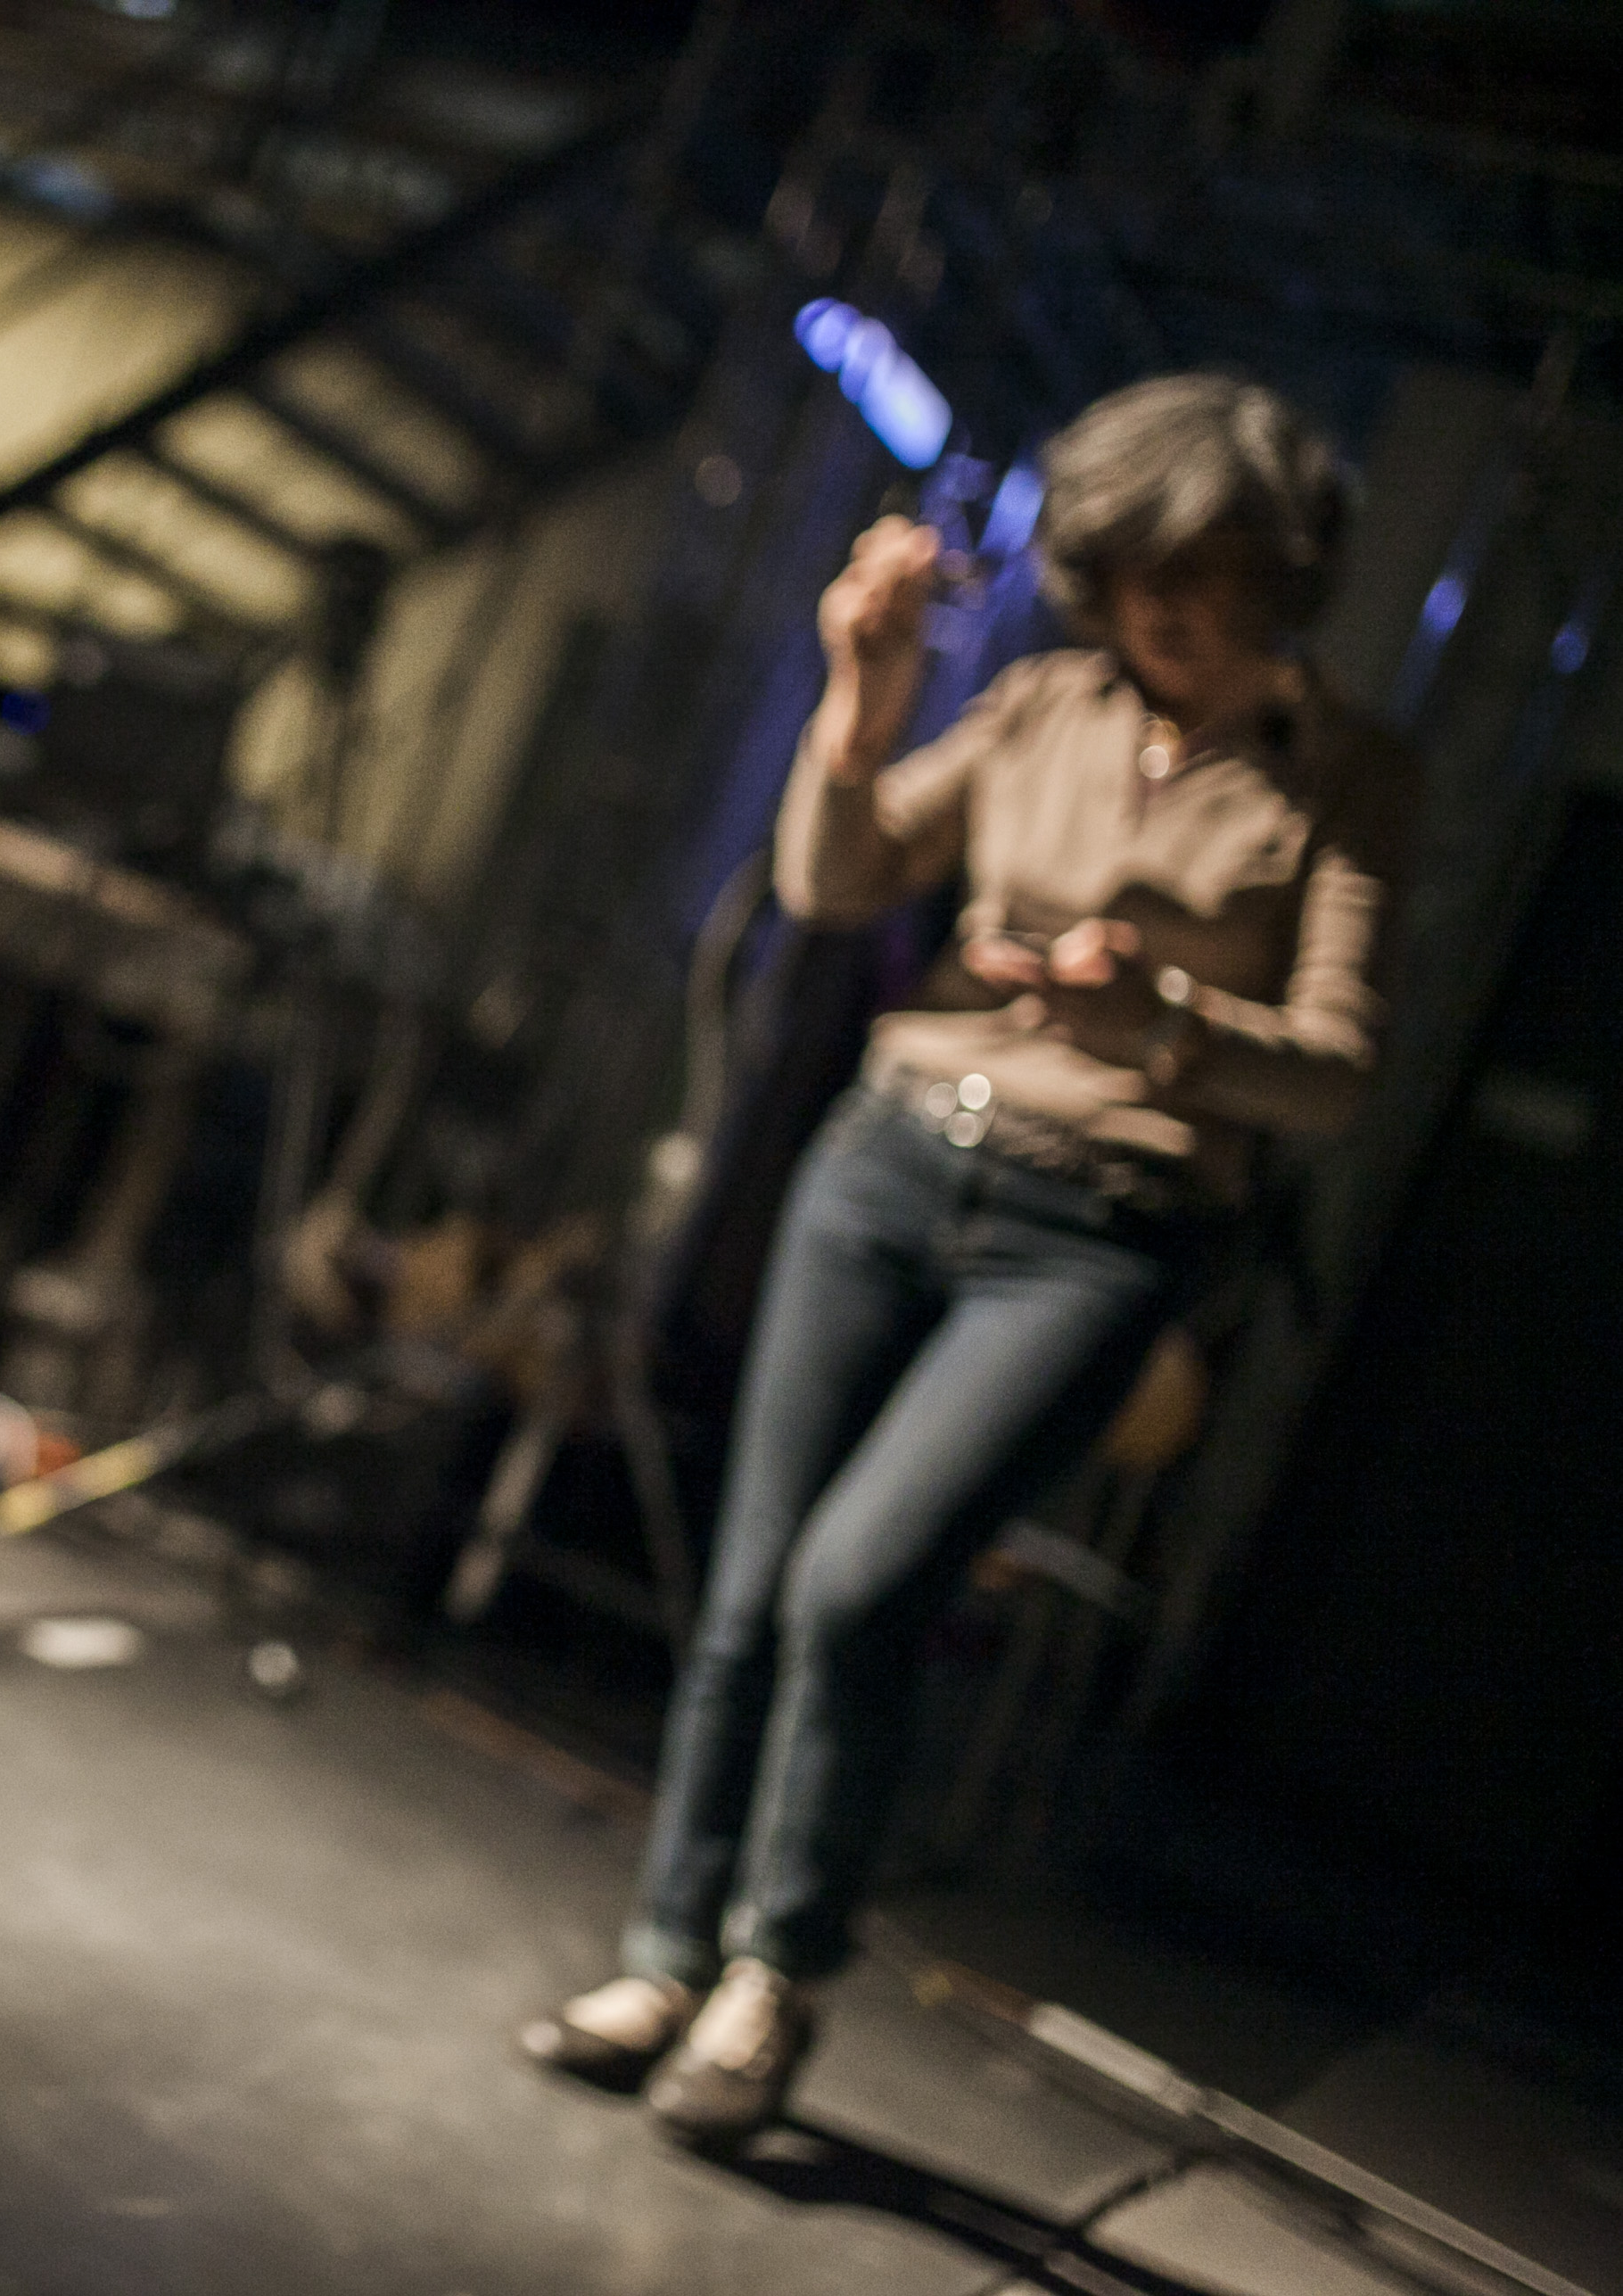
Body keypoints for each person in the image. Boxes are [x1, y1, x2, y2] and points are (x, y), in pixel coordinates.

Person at [515, 375, 1414, 2143]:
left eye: (1198, 566)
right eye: (1128, 565)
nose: (1156, 603)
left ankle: (775, 1977)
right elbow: (834, 883)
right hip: (889, 1163)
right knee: (751, 1589)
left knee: (857, 1585)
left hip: (1098, 1231)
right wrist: (860, 702)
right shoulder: (1040, 702)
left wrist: (1157, 1017)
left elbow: (1335, 1070)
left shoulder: (1348, 773)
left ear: (1274, 568)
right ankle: (666, 1960)